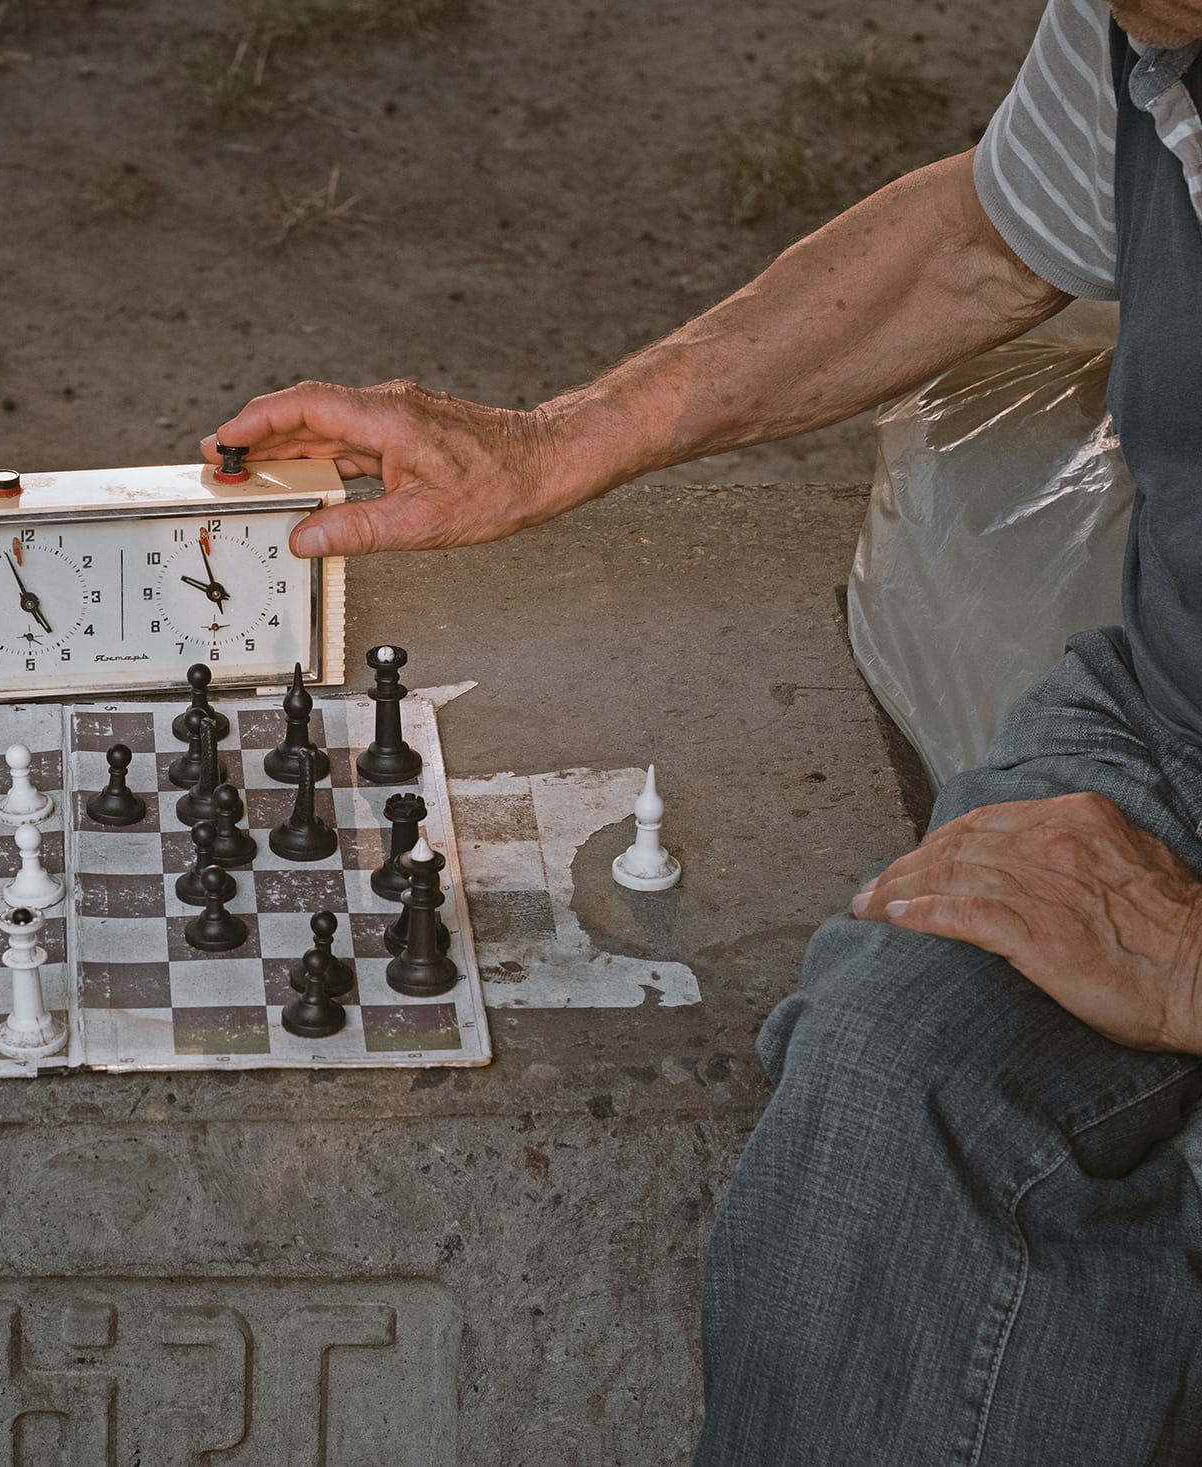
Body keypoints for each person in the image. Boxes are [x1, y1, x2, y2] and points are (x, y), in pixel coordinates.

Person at [212, 0, 1202, 1459]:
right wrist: (552, 442)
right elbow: (982, 240)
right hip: (1178, 716)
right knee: (891, 1066)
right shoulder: (1138, 31)